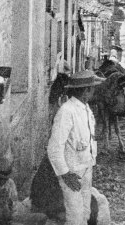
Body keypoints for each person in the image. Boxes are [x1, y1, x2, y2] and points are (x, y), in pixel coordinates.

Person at [47, 70, 103, 225]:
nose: (93, 92)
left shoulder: (85, 109)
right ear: (86, 90)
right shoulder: (66, 111)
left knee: (85, 211)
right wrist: (65, 174)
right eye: (92, 89)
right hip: (72, 172)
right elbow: (54, 148)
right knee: (75, 216)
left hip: (86, 168)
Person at [0, 157, 48, 225]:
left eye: (5, 179)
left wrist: (8, 204)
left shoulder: (10, 183)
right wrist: (0, 206)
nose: (2, 181)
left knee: (42, 217)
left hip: (11, 218)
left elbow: (14, 210)